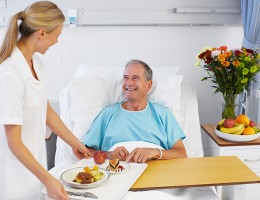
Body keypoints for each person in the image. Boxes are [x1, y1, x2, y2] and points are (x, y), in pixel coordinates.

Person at [0, 1, 91, 200]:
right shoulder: (10, 73)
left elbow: (46, 111)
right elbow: (13, 142)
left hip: (35, 169)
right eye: (56, 35)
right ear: (41, 33)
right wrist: (49, 179)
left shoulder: (36, 64)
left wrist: (75, 143)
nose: (57, 41)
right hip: (14, 177)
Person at [84, 59, 187, 162]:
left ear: (149, 85)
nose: (129, 83)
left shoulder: (163, 115)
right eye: (126, 78)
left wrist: (155, 152)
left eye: (135, 78)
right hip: (118, 171)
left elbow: (181, 154)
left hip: (156, 172)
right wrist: (109, 155)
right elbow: (87, 152)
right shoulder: (108, 114)